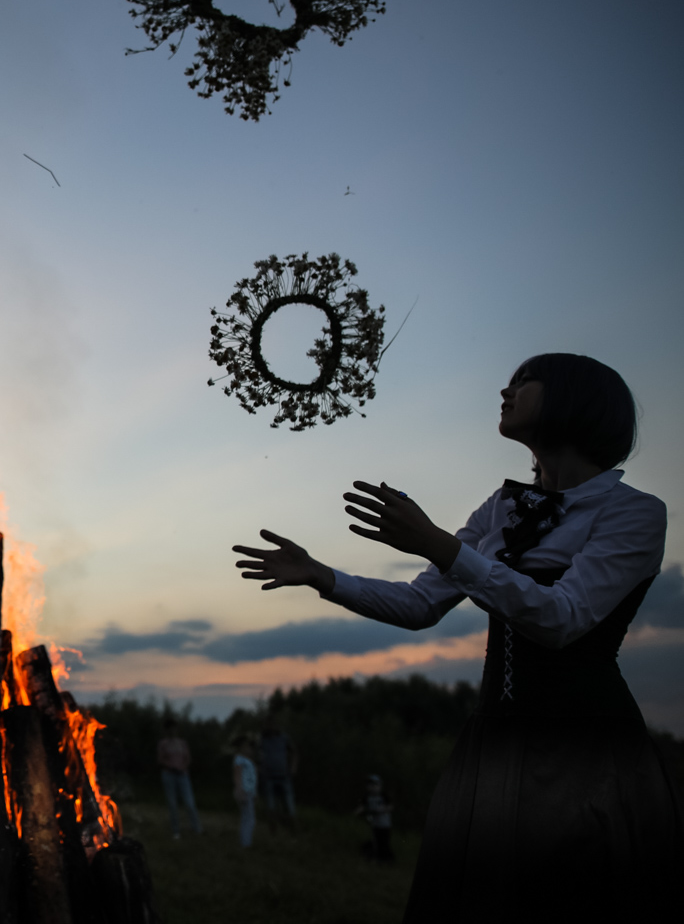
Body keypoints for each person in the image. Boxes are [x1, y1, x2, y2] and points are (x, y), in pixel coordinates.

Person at [233, 353, 681, 920]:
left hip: (582, 747)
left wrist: (441, 546)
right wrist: (324, 576)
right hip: (495, 746)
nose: (506, 389)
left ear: (576, 399)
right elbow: (422, 604)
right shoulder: (501, 508)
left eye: (524, 381)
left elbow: (563, 619)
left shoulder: (635, 512)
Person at [156, 716, 202, 838]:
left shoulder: (182, 743)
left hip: (182, 775)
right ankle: (176, 831)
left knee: (190, 803)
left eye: (174, 728)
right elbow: (160, 760)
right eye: (170, 728)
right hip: (169, 775)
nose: (172, 730)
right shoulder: (163, 744)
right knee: (172, 804)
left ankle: (196, 828)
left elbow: (188, 758)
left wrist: (183, 767)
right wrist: (172, 767)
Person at [257, 716, 297, 834]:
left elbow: (294, 752)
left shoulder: (284, 738)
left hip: (284, 777)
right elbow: (255, 754)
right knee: (271, 808)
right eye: (268, 724)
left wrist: (293, 767)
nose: (270, 727)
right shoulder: (262, 739)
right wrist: (258, 768)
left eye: (272, 724)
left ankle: (293, 833)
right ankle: (273, 834)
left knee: (290, 807)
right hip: (268, 778)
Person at [354, 774, 394, 863]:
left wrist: (383, 809)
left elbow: (391, 806)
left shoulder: (383, 796)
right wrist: (358, 811)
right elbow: (363, 806)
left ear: (379, 785)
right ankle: (376, 858)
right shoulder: (367, 797)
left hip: (385, 824)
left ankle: (386, 859)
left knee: (384, 842)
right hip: (375, 824)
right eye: (369, 785)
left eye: (374, 785)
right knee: (376, 842)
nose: (371, 787)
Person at [231, 734, 257, 848]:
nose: (250, 750)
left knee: (247, 817)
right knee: (249, 819)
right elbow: (237, 775)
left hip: (248, 792)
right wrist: (239, 789)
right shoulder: (239, 759)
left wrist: (254, 792)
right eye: (247, 747)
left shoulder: (247, 761)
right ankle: (246, 843)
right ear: (241, 748)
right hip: (244, 792)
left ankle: (245, 841)